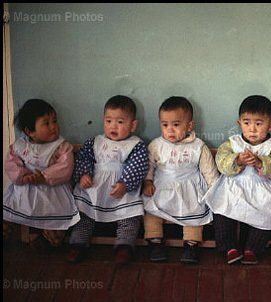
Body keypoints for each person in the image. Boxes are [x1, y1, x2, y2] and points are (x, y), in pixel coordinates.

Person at [204, 95, 271, 265]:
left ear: (270, 125)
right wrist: (237, 161)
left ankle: (252, 248)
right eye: (246, 123)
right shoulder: (232, 143)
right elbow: (221, 163)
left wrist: (261, 162)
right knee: (222, 209)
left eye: (258, 124)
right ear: (239, 123)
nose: (252, 129)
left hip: (262, 190)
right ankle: (229, 248)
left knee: (267, 213)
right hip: (233, 188)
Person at [68, 95, 148, 264]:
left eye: (120, 122)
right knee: (84, 214)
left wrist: (125, 183)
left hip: (120, 189)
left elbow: (138, 166)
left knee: (129, 216)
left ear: (133, 125)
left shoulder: (135, 145)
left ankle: (124, 246)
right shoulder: (95, 141)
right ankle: (78, 243)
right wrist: (84, 175)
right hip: (94, 187)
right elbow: (83, 158)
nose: (113, 126)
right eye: (109, 121)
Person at [142, 96, 219, 264]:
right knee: (151, 212)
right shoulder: (156, 145)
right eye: (165, 125)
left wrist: (214, 189)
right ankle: (155, 242)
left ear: (189, 126)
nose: (170, 130)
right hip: (163, 186)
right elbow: (148, 165)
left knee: (194, 214)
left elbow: (209, 170)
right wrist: (147, 181)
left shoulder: (198, 146)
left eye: (176, 125)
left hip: (189, 187)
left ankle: (191, 245)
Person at [3, 99, 79, 249]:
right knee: (7, 212)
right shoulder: (20, 146)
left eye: (54, 121)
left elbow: (66, 166)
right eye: (46, 123)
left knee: (57, 225)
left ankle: (48, 240)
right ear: (29, 131)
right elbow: (11, 164)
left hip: (52, 191)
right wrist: (23, 176)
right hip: (25, 189)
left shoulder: (61, 146)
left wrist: (44, 176)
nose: (53, 127)